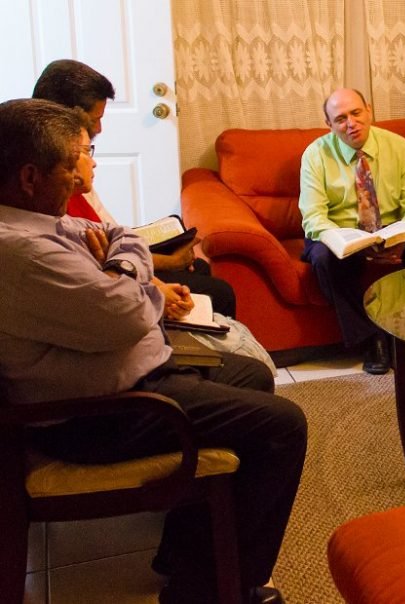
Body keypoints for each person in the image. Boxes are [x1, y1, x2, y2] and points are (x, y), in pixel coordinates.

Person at [0, 98, 306, 604]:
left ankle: (188, 554)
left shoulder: (34, 219)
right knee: (282, 425)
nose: (81, 177)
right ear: (30, 176)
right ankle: (213, 589)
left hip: (126, 376)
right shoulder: (22, 252)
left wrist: (121, 269)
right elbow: (122, 311)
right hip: (95, 417)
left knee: (251, 377)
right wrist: (125, 277)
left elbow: (122, 239)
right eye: (71, 163)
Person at [31, 58, 238, 318]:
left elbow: (106, 232)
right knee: (218, 292)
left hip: (117, 255)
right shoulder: (54, 187)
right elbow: (94, 259)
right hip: (110, 270)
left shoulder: (75, 174)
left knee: (198, 268)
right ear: (71, 116)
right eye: (95, 119)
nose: (99, 129)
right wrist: (164, 269)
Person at [299, 88, 405, 374]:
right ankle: (372, 339)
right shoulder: (315, 155)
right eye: (340, 118)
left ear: (368, 110)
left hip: (392, 229)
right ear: (329, 125)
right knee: (324, 257)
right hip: (341, 235)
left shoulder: (399, 147)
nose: (351, 123)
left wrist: (402, 240)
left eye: (356, 113)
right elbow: (314, 217)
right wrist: (350, 242)